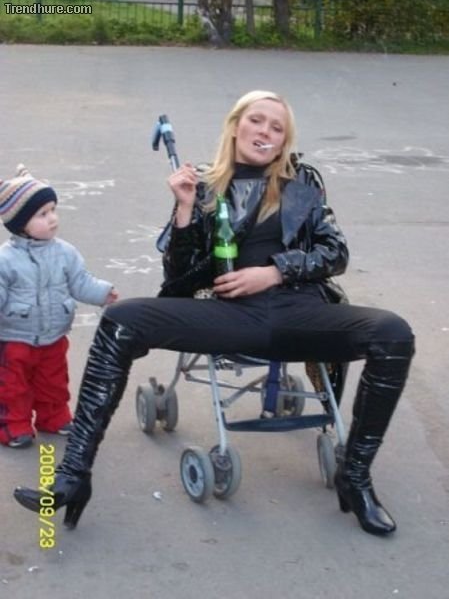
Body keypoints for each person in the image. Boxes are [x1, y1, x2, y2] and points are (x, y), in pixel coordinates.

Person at [14, 91, 414, 535]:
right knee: (119, 320)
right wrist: (185, 209)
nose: (264, 131)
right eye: (256, 120)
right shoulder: (204, 185)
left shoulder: (302, 182)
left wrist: (274, 272)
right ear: (235, 125)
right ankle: (73, 476)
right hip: (230, 318)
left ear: (284, 141)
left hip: (300, 313)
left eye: (276, 127)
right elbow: (179, 281)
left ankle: (355, 477)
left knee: (394, 332)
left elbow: (335, 252)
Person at [0, 165, 118, 448]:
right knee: (12, 386)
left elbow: (80, 282)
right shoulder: (5, 260)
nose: (52, 218)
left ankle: (53, 417)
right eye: (42, 214)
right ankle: (13, 426)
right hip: (14, 338)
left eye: (53, 210)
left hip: (54, 336)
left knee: (53, 381)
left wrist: (102, 293)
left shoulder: (65, 252)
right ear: (20, 224)